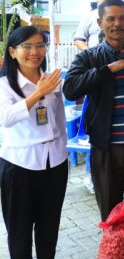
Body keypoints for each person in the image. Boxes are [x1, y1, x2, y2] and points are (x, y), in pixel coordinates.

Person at [63, 0, 124, 220]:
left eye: (122, 18)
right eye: (111, 18)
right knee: (110, 212)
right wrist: (107, 70)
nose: (117, 23)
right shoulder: (89, 57)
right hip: (106, 147)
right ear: (100, 22)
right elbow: (70, 89)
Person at [0, 26, 68, 259]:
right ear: (12, 52)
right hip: (20, 166)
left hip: (55, 163)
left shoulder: (52, 80)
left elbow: (59, 118)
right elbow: (5, 118)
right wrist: (37, 94)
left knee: (49, 231)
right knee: (19, 234)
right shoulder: (5, 86)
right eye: (26, 46)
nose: (34, 51)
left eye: (40, 45)